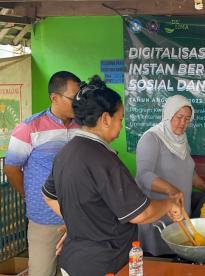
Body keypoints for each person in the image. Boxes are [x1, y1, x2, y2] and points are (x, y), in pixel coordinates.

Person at [41, 76, 182, 275]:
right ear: (106, 119)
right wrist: (169, 204)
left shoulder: (66, 153)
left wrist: (80, 225)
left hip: (73, 261)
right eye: (120, 119)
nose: (121, 126)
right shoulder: (103, 160)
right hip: (104, 264)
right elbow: (141, 214)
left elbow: (48, 195)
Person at [4, 71, 81, 276]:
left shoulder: (82, 127)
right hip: (44, 220)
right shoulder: (30, 127)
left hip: (78, 219)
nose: (79, 103)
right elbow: (11, 169)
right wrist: (28, 195)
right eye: (74, 98)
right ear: (54, 97)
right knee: (42, 272)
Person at [135, 94, 205, 257]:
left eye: (187, 119)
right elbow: (143, 175)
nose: (183, 123)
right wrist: (171, 190)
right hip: (157, 218)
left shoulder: (182, 141)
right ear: (168, 114)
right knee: (159, 265)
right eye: (179, 117)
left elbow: (190, 173)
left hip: (180, 217)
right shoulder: (152, 138)